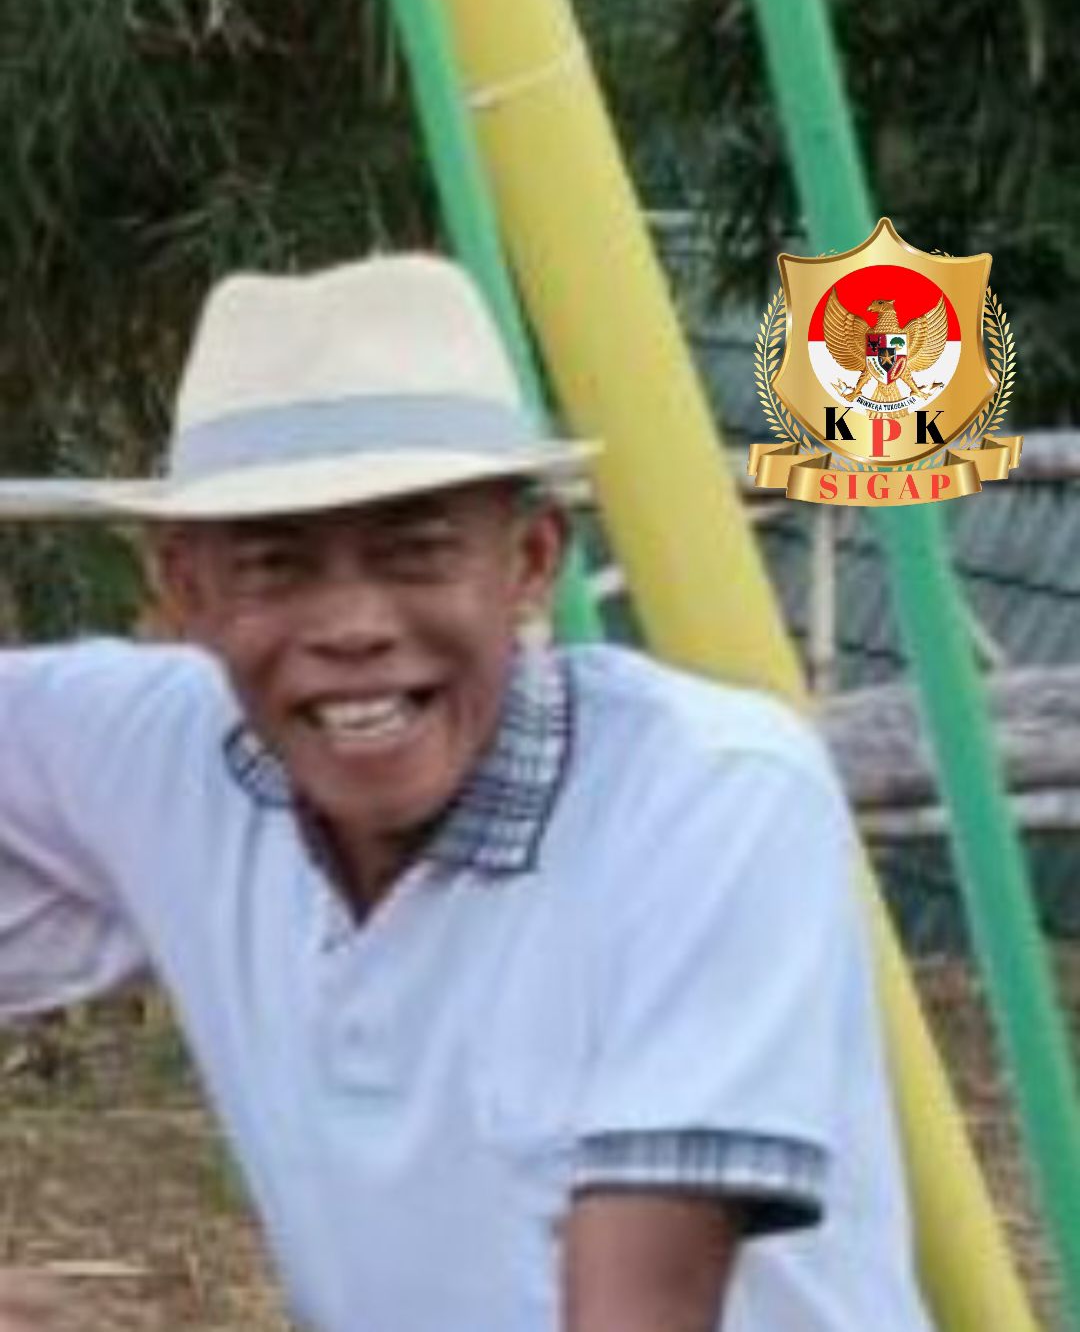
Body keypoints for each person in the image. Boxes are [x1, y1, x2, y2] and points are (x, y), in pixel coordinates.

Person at [0, 255, 933, 1332]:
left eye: (416, 554)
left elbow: (638, 1312)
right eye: (277, 566)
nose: (353, 625)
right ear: (186, 589)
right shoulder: (163, 758)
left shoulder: (704, 793)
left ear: (530, 562)